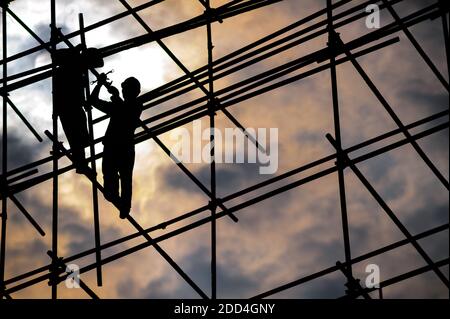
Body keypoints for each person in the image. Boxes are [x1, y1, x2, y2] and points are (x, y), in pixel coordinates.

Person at [90, 73, 142, 219]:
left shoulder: (136, 104)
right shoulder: (118, 105)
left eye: (125, 87)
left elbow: (125, 113)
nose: (123, 89)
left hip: (122, 148)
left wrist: (115, 96)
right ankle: (117, 200)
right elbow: (93, 101)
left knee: (126, 179)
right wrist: (100, 84)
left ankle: (124, 206)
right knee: (110, 185)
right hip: (112, 147)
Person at [53, 46, 104, 174]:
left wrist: (84, 102)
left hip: (73, 105)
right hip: (67, 105)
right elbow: (55, 56)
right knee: (76, 135)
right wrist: (75, 50)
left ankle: (81, 163)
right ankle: (81, 164)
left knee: (80, 136)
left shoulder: (79, 68)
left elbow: (77, 90)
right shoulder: (71, 61)